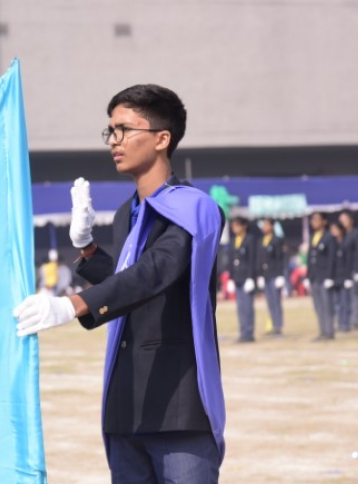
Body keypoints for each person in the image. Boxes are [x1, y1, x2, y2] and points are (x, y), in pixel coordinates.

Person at [13, 84, 225, 483]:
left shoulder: (194, 206)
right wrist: (87, 248)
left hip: (178, 403)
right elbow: (129, 284)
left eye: (125, 129)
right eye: (110, 131)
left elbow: (157, 271)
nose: (114, 141)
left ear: (162, 139)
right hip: (126, 402)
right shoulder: (129, 211)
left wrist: (73, 304)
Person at [307, 212, 336, 341]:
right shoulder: (313, 236)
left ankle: (329, 331)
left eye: (317, 220)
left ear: (324, 221)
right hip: (314, 276)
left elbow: (331, 258)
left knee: (326, 305)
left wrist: (330, 276)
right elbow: (310, 257)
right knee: (318, 306)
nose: (314, 222)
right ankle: (322, 330)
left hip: (324, 276)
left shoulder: (329, 237)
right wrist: (308, 275)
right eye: (313, 220)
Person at [255, 218, 286, 336]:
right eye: (264, 225)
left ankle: (278, 326)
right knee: (269, 302)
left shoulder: (277, 240)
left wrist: (280, 275)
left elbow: (280, 259)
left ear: (272, 226)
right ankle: (273, 324)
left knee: (276, 301)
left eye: (267, 225)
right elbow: (259, 258)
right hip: (265, 275)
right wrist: (259, 275)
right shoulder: (261, 240)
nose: (264, 227)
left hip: (274, 274)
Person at [230, 217, 256, 343]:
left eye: (237, 225)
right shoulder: (233, 240)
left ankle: (249, 333)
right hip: (237, 278)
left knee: (248, 307)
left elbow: (252, 259)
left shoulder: (250, 239)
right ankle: (243, 332)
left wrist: (251, 277)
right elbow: (231, 260)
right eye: (233, 226)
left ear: (244, 226)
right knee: (240, 307)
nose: (234, 228)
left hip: (246, 278)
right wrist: (231, 278)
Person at [339, 210, 358, 330]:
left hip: (354, 268)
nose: (343, 222)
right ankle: (347, 318)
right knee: (345, 295)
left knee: (354, 294)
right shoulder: (342, 235)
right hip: (345, 269)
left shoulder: (356, 233)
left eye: (345, 220)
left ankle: (356, 319)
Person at [328, 222, 352, 332]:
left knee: (345, 302)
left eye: (335, 229)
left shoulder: (346, 243)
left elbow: (349, 261)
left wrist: (349, 277)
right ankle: (339, 322)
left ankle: (345, 323)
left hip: (344, 276)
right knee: (336, 303)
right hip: (334, 277)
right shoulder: (331, 244)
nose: (333, 232)